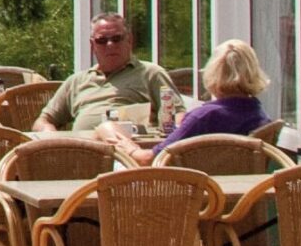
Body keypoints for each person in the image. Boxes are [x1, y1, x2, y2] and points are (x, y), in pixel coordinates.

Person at [114, 38, 271, 163]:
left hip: (192, 195)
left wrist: (130, 149)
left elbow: (149, 159)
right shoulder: (257, 113)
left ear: (213, 73)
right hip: (242, 195)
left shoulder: (204, 117)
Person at [35, 11, 168, 135]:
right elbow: (42, 121)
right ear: (93, 45)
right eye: (102, 41)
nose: (110, 45)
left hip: (128, 153)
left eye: (116, 39)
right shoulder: (77, 81)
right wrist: (51, 137)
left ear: (129, 40)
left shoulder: (150, 74)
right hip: (82, 152)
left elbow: (177, 115)